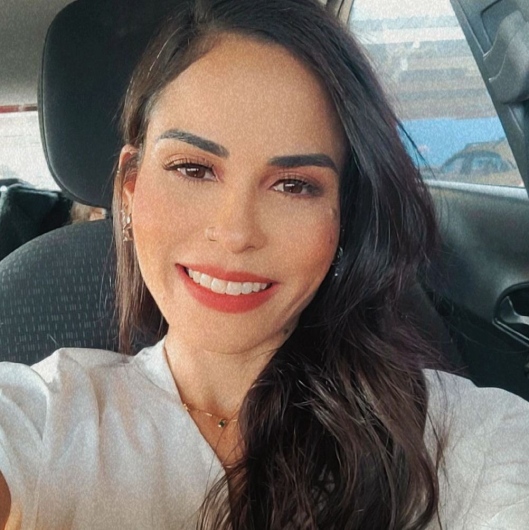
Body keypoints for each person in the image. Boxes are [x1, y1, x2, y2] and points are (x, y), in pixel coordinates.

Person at [1, 0, 528, 528]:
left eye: (294, 185)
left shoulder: (466, 440)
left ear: (343, 216)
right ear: (131, 187)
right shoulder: (39, 417)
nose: (236, 234)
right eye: (193, 169)